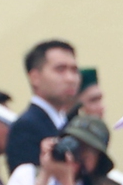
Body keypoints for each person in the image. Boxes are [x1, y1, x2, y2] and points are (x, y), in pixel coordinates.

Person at [5, 39, 81, 171]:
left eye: (74, 70)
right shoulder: (26, 127)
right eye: (60, 69)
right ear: (35, 77)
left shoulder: (72, 122)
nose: (70, 78)